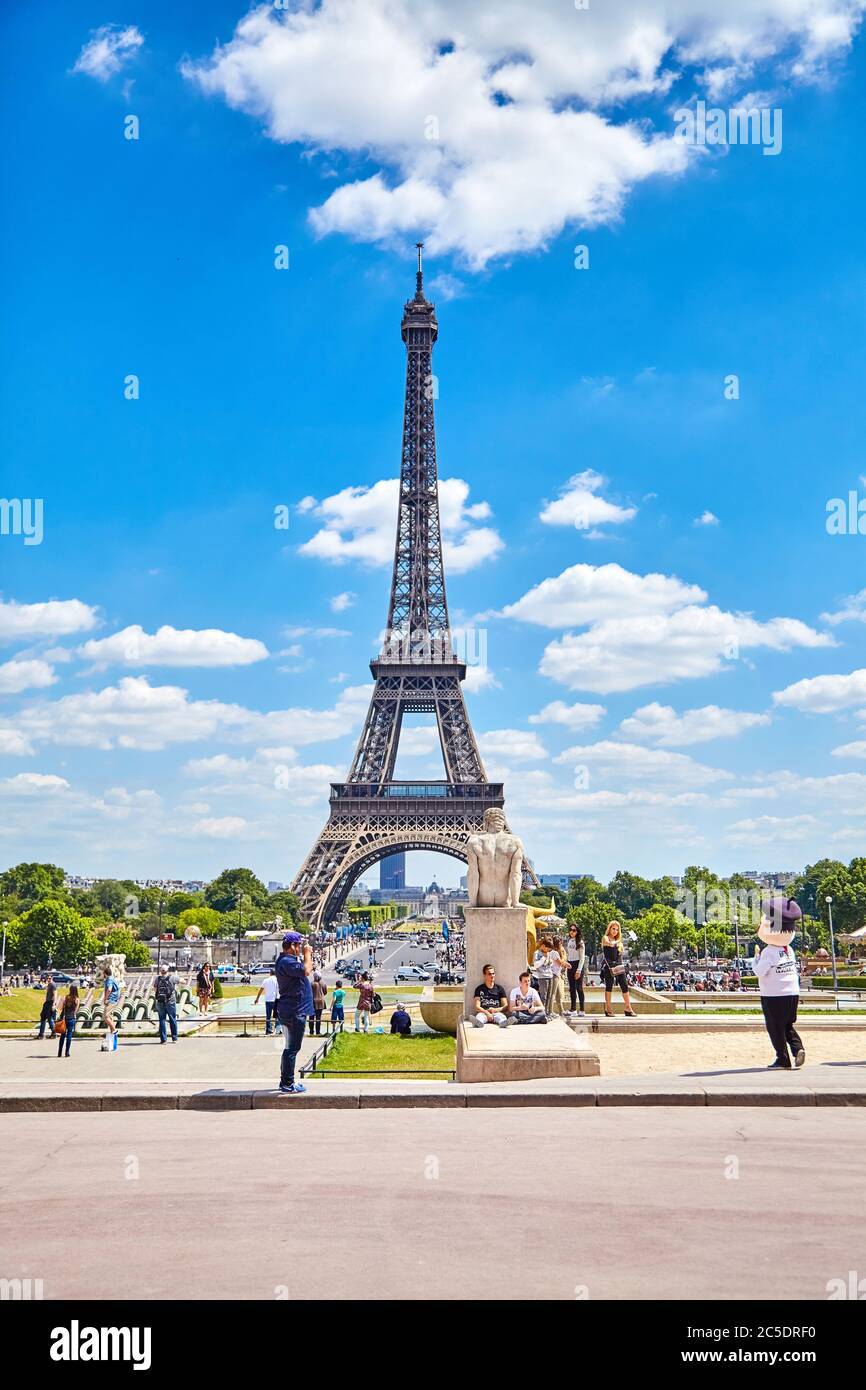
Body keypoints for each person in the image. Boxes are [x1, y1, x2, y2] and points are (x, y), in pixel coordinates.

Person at [753, 898, 805, 1070]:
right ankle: (798, 1050)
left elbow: (759, 972)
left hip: (774, 995)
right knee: (788, 1025)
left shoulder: (768, 952)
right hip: (792, 993)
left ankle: (782, 1059)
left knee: (775, 1028)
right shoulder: (788, 950)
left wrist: (756, 958)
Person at [275, 931, 313, 1095]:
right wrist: (307, 953)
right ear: (292, 946)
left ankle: (286, 1081)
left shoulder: (285, 961)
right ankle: (287, 1084)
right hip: (294, 1010)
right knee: (292, 1048)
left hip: (291, 1009)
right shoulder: (288, 962)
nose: (300, 948)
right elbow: (306, 970)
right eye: (298, 945)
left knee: (289, 1048)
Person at [601, 921, 636, 1017]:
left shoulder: (619, 942)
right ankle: (608, 1009)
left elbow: (620, 955)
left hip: (619, 966)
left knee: (625, 986)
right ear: (609, 928)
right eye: (613, 929)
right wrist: (619, 941)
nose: (615, 931)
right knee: (609, 987)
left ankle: (628, 1008)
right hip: (609, 966)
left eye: (617, 929)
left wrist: (620, 941)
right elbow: (610, 944)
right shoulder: (605, 938)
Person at [154, 964, 178, 1044]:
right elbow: (183, 981)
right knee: (172, 1019)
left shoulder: (157, 979)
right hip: (170, 1001)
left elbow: (155, 989)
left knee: (162, 1020)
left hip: (160, 1001)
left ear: (161, 971)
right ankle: (174, 1038)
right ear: (168, 970)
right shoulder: (172, 977)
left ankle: (163, 1040)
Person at [531, 938, 554, 1011]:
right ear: (543, 946)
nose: (548, 951)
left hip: (550, 976)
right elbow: (536, 965)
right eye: (548, 949)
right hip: (542, 977)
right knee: (543, 996)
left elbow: (550, 964)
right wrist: (544, 958)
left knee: (549, 996)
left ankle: (547, 1012)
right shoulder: (537, 953)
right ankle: (542, 1012)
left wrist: (550, 961)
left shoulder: (548, 953)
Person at [255, 966, 279, 1035]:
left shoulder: (266, 980)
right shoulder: (278, 980)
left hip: (268, 1000)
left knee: (268, 1016)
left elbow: (261, 990)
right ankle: (277, 1029)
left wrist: (257, 998)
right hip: (275, 1000)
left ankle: (268, 1030)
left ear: (270, 973)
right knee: (277, 1016)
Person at [101, 966, 122, 1046]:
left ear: (105, 974)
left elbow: (109, 989)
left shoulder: (109, 979)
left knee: (105, 1017)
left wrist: (105, 998)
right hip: (114, 999)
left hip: (110, 1000)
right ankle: (112, 1032)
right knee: (110, 1017)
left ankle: (114, 1031)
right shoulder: (112, 978)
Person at [56, 984, 79, 1058]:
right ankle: (67, 1052)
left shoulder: (66, 997)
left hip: (64, 1019)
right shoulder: (77, 999)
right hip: (71, 1018)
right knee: (69, 1036)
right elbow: (76, 1011)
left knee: (62, 1035)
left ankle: (59, 1052)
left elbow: (61, 1008)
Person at [309, 971, 327, 1036]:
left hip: (313, 1002)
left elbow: (309, 993)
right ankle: (318, 1032)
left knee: (311, 1018)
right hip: (321, 1002)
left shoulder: (311, 984)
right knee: (318, 1018)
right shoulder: (323, 983)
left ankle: (311, 1032)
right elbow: (325, 992)